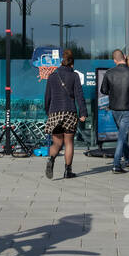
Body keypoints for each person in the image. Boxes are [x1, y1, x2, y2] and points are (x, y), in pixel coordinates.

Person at [44, 49, 86, 179]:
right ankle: (68, 171)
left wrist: (48, 112)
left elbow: (47, 97)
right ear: (72, 64)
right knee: (69, 142)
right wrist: (83, 112)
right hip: (69, 112)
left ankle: (51, 160)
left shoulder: (52, 76)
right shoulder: (74, 76)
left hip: (55, 112)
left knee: (56, 143)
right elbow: (79, 95)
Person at [100, 49, 129, 173]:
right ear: (124, 57)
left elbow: (103, 90)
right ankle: (116, 165)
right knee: (122, 136)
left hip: (115, 109)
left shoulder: (109, 73)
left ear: (114, 60)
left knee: (122, 135)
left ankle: (128, 159)